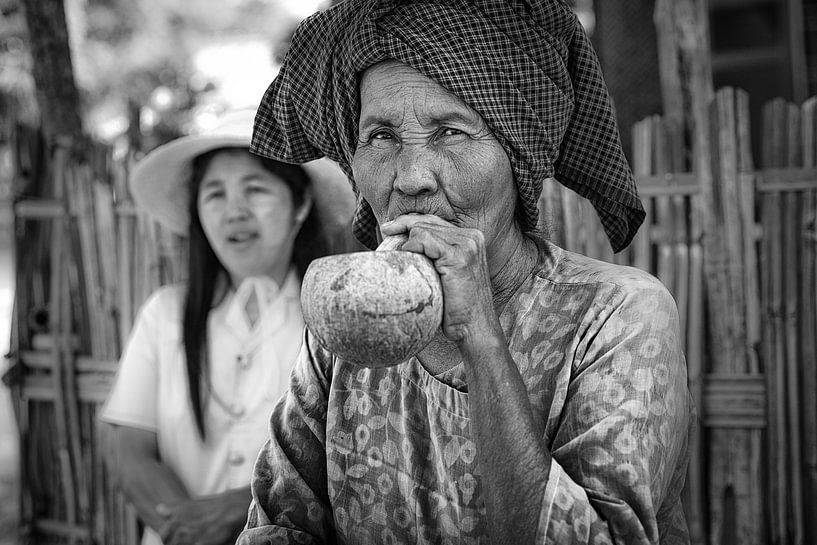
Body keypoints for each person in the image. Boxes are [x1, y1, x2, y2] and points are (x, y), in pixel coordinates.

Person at [239, 1, 693, 544]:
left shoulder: (617, 313)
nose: (410, 180)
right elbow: (279, 523)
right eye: (381, 137)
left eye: (451, 132)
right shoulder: (349, 325)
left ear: (517, 153)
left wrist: (478, 332)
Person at [99, 109, 354, 545]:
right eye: (214, 194)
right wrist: (184, 525)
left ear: (301, 205)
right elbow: (129, 448)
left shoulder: (335, 321)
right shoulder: (165, 314)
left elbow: (347, 466)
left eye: (255, 189)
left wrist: (239, 511)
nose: (234, 210)